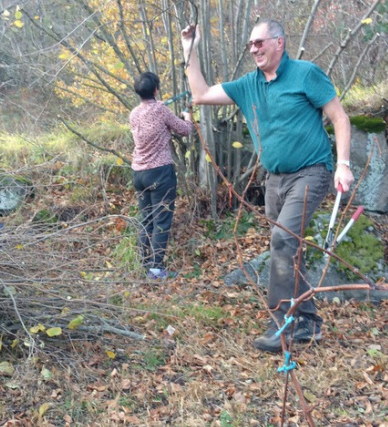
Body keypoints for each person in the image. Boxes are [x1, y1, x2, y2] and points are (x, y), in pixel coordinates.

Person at [181, 20, 354, 352]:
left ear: (279, 42)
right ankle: (308, 323)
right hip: (274, 180)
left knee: (282, 240)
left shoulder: (306, 74)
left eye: (259, 42)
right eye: (250, 45)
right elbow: (200, 94)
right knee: (291, 248)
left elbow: (340, 118)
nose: (253, 49)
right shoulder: (248, 85)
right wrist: (191, 50)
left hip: (312, 172)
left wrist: (343, 164)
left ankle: (283, 324)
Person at [129, 71, 194, 280]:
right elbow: (184, 130)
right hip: (160, 174)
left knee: (146, 219)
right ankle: (156, 270)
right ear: (156, 90)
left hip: (138, 174)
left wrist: (158, 107)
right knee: (162, 220)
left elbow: (150, 118)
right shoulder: (161, 110)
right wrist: (189, 118)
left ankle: (144, 264)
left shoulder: (134, 113)